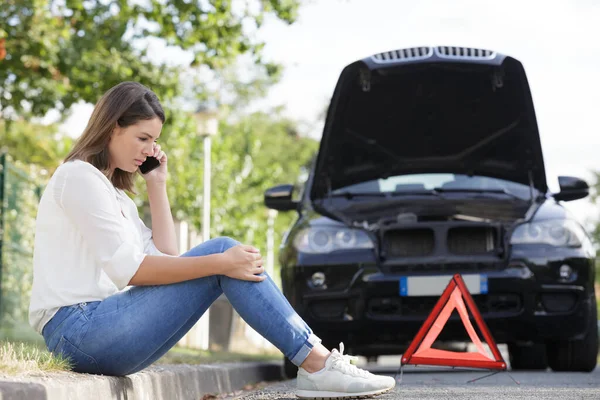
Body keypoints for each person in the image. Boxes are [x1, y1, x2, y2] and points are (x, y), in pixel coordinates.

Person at [28, 82, 395, 398]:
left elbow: (168, 257)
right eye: (142, 138)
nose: (148, 149)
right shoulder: (77, 176)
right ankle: (317, 364)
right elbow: (132, 271)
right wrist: (222, 263)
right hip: (78, 330)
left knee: (225, 255)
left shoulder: (116, 196)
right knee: (223, 251)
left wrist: (157, 184)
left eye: (153, 140)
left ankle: (316, 362)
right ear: (111, 128)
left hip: (102, 330)